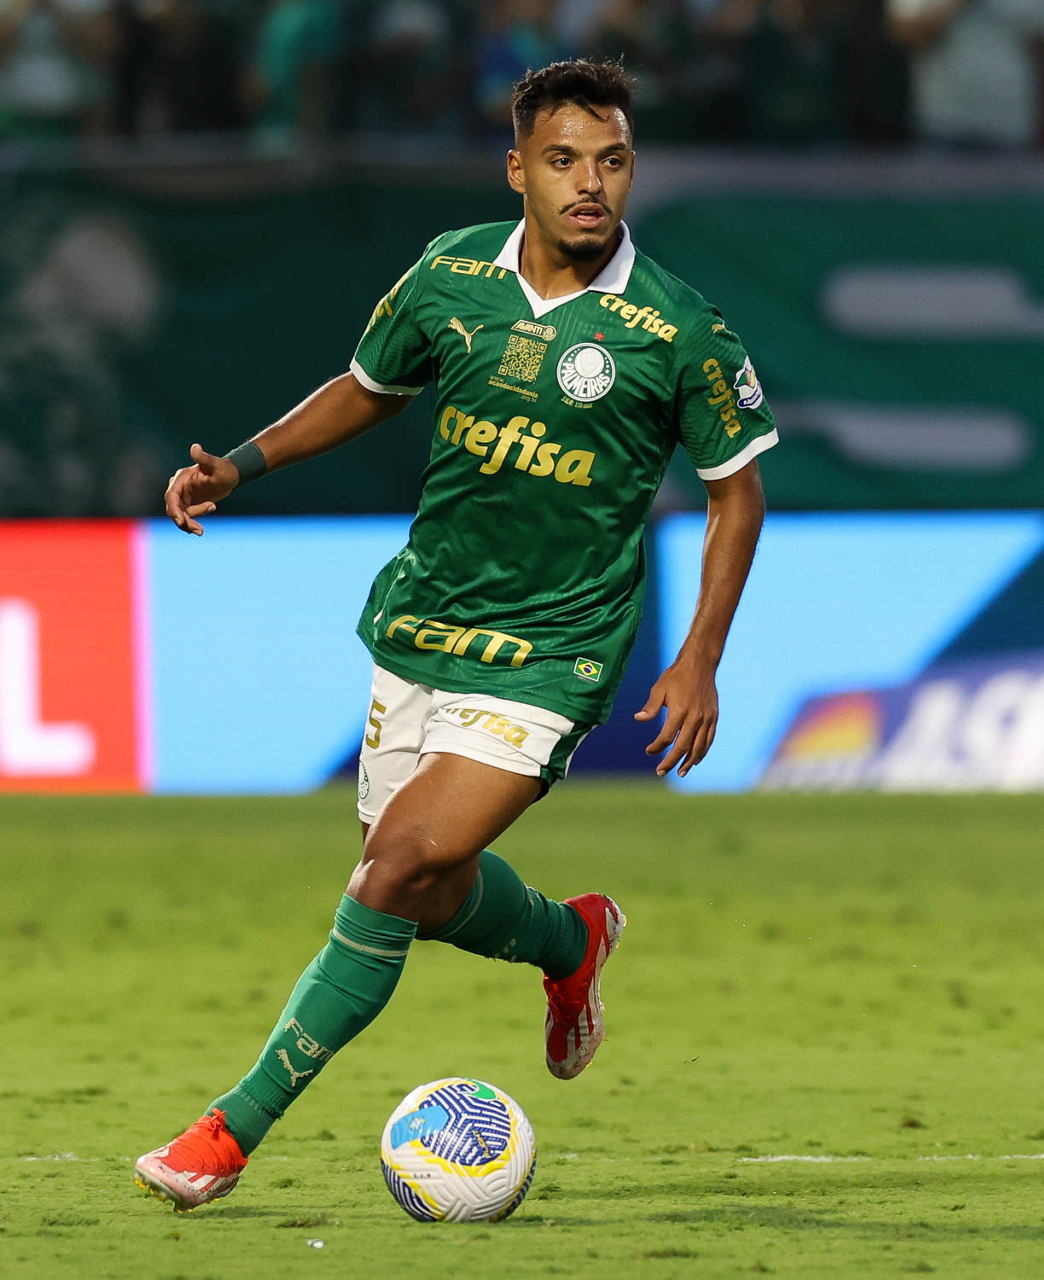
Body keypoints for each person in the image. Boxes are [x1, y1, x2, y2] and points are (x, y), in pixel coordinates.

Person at [135, 57, 778, 1212]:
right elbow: (368, 384)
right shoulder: (449, 272)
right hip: (425, 622)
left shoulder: (678, 326)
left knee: (388, 874)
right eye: (564, 160)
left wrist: (699, 657)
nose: (591, 184)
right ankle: (569, 941)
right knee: (425, 893)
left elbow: (738, 492)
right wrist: (242, 462)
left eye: (613, 160)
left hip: (555, 652)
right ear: (518, 168)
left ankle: (228, 1130)